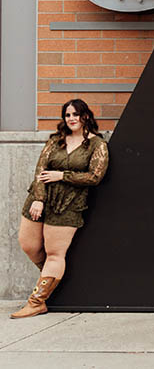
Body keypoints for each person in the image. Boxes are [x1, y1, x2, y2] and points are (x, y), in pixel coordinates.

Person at [12, 99, 109, 319]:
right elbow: (40, 169)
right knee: (28, 245)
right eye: (68, 115)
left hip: (69, 204)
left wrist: (62, 176)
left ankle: (37, 301)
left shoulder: (97, 145)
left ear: (86, 117)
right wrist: (38, 199)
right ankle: (53, 280)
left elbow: (95, 176)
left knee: (55, 253)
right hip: (40, 200)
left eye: (76, 114)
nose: (72, 118)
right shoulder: (56, 141)